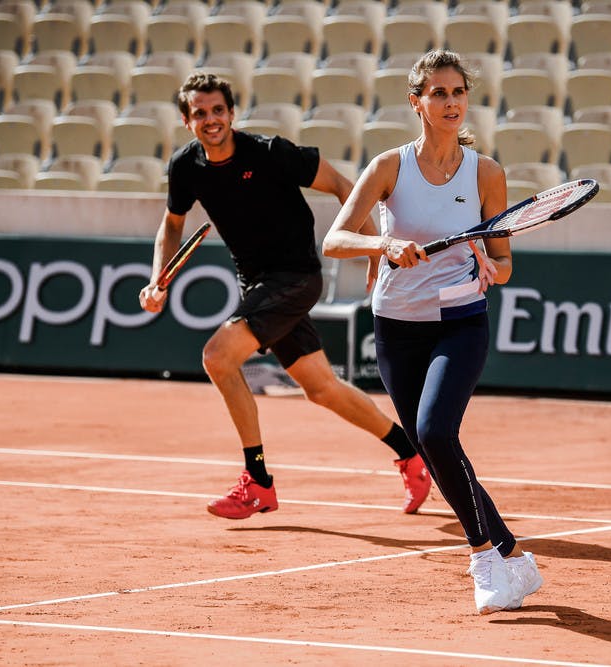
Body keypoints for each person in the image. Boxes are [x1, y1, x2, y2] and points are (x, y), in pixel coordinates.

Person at [138, 72, 431, 520]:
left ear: (232, 114)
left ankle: (258, 482)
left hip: (295, 276)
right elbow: (172, 223)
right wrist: (158, 277)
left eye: (218, 110)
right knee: (322, 388)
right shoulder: (185, 166)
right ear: (186, 120)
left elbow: (341, 185)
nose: (211, 119)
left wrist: (372, 250)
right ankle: (410, 453)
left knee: (218, 357)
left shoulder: (271, 153)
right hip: (255, 282)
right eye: (200, 113)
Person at [321, 50, 543, 614]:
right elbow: (336, 240)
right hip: (396, 323)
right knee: (431, 442)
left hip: (461, 320)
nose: (450, 103)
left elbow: (503, 258)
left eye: (457, 93)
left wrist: (493, 269)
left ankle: (483, 558)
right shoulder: (389, 167)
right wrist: (385, 244)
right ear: (416, 102)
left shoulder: (487, 173)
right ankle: (513, 555)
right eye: (438, 93)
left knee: (435, 431)